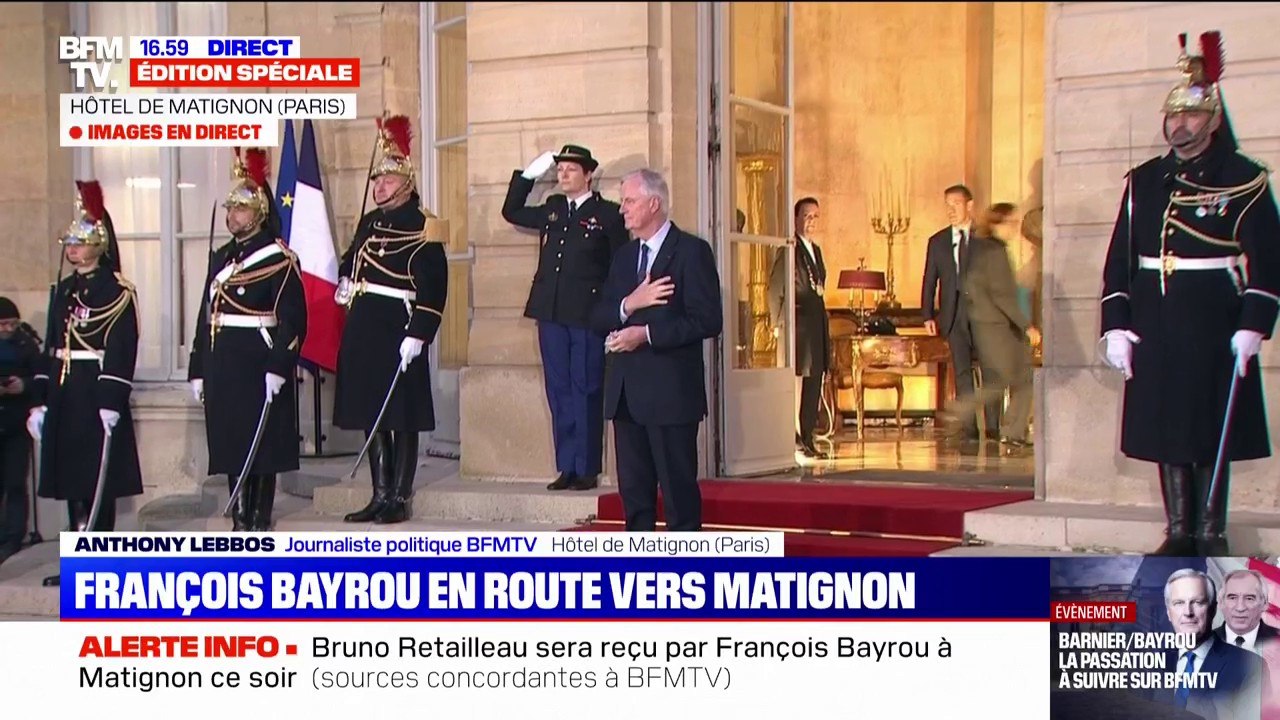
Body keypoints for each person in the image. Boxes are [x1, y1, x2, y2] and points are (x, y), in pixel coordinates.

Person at [1099, 32, 1280, 556]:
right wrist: (1116, 324)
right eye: (1173, 115)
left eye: (1192, 115)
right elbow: (1120, 259)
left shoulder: (1244, 178)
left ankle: (1210, 530)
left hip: (1213, 317)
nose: (1180, 124)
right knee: (1167, 427)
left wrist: (1254, 323)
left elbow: (1269, 260)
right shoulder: (1145, 180)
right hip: (1154, 319)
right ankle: (1179, 530)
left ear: (1214, 119)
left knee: (1208, 426)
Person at [589, 168, 722, 531]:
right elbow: (599, 316)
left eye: (629, 201)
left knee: (679, 499)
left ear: (654, 203)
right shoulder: (623, 256)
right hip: (626, 396)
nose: (622, 209)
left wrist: (646, 334)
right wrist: (629, 304)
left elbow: (708, 320)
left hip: (670, 396)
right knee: (635, 500)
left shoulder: (692, 252)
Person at [334, 115, 448, 525]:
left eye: (387, 180)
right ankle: (379, 493)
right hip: (365, 326)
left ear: (407, 183)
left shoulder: (424, 224)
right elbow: (352, 257)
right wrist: (345, 278)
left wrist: (421, 332)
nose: (379, 187)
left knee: (401, 414)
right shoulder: (370, 221)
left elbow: (435, 283)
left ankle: (399, 496)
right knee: (373, 412)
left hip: (399, 328)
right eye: (377, 181)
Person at [29, 181, 142, 586]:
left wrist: (112, 397)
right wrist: (40, 399)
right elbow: (52, 344)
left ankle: (97, 562)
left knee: (97, 482)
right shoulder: (64, 290)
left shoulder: (117, 291)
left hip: (94, 392)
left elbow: (122, 346)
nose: (72, 250)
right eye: (70, 244)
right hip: (65, 393)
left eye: (79, 243)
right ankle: (75, 561)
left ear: (98, 244)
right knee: (71, 481)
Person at [189, 149, 307, 532]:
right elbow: (205, 316)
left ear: (258, 212)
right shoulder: (222, 258)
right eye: (230, 208)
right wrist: (197, 367)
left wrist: (279, 366)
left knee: (262, 444)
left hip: (258, 362)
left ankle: (258, 516)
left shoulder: (279, 258)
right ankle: (240, 517)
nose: (232, 215)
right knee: (232, 442)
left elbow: (292, 320)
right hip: (222, 363)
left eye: (240, 208)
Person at [502, 144, 628, 491]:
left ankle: (586, 467)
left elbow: (620, 266)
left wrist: (613, 314)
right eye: (559, 170)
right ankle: (567, 465)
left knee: (586, 388)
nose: (563, 174)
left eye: (571, 169)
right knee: (558, 390)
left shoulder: (608, 214)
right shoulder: (554, 209)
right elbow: (511, 211)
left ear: (588, 175)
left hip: (587, 315)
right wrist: (528, 175)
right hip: (551, 312)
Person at [943, 203, 1037, 449]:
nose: (1015, 228)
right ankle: (966, 410)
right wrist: (1026, 326)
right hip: (997, 328)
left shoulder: (981, 249)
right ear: (998, 223)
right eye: (1011, 223)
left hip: (988, 326)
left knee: (1014, 378)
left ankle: (1011, 429)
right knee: (1014, 379)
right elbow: (1002, 295)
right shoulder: (994, 252)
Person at [921, 184, 1000, 444]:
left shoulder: (986, 240)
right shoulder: (937, 242)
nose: (951, 210)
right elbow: (929, 280)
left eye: (956, 204)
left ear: (969, 205)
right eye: (947, 205)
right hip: (953, 316)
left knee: (990, 372)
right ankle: (969, 430)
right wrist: (927, 315)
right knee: (962, 373)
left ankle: (993, 428)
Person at [1153, 569, 1263, 719]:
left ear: (1213, 609)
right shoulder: (1155, 663)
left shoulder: (1250, 666)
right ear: (1168, 613)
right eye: (1178, 603)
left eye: (1197, 602)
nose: (1188, 612)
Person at [771, 197, 828, 457]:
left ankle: (808, 436)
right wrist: (777, 324)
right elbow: (776, 288)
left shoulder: (816, 250)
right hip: (797, 325)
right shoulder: (789, 249)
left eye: (815, 216)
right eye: (806, 216)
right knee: (797, 383)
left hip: (816, 325)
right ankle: (793, 437)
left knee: (814, 381)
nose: (811, 221)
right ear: (796, 219)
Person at [0, 298, 39, 564]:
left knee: (15, 482)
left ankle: (13, 537)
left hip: (16, 423)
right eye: (3, 324)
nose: (8, 329)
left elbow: (41, 377)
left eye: (12, 324)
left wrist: (23, 386)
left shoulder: (26, 344)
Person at [1214, 569, 1279, 654]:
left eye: (1249, 598)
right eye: (1232, 598)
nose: (1240, 608)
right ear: (1220, 603)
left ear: (1264, 604)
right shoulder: (1203, 643)